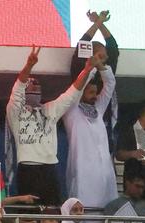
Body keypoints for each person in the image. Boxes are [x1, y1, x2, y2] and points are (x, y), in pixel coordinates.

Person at [7, 47, 96, 205]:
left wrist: (88, 69)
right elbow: (18, 87)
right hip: (28, 168)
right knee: (30, 217)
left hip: (50, 169)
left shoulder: (50, 108)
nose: (35, 85)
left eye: (38, 84)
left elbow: (73, 91)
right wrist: (29, 65)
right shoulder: (15, 111)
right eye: (31, 84)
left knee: (53, 212)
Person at [63, 57, 117, 208]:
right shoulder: (71, 111)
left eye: (96, 92)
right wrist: (91, 69)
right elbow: (77, 89)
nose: (95, 96)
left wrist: (99, 65)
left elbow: (110, 84)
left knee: (107, 215)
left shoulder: (98, 110)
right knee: (84, 213)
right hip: (83, 173)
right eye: (91, 92)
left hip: (105, 173)